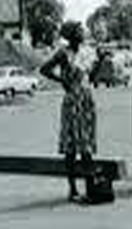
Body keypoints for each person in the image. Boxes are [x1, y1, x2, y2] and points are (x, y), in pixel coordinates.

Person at [40, 21, 97, 201]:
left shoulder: (86, 52)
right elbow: (44, 69)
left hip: (86, 99)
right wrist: (62, 80)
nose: (82, 33)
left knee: (87, 143)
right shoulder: (63, 53)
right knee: (72, 147)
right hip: (72, 100)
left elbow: (91, 74)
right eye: (79, 31)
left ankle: (90, 187)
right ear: (71, 34)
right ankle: (73, 188)